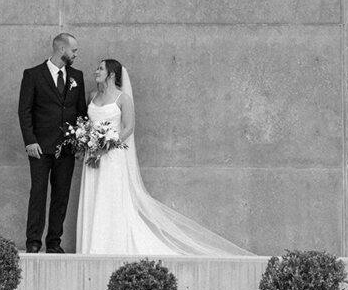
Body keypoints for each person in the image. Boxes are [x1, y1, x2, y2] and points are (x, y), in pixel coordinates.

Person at [76, 59, 250, 255]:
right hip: (92, 157)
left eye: (100, 68)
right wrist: (87, 141)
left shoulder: (123, 99)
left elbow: (128, 128)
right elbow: (86, 123)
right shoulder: (92, 96)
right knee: (93, 197)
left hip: (112, 157)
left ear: (111, 74)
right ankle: (91, 245)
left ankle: (110, 246)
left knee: (110, 198)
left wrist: (106, 145)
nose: (95, 71)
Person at [18, 32, 87, 253]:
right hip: (39, 148)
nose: (76, 54)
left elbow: (81, 114)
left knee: (61, 196)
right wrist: (30, 141)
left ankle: (54, 243)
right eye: (73, 50)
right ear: (61, 49)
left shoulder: (77, 75)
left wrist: (80, 143)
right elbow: (24, 111)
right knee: (38, 193)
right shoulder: (33, 75)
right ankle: (33, 242)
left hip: (66, 149)